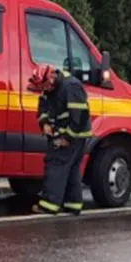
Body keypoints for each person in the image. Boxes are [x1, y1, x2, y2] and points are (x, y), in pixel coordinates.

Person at [30, 63, 91, 215]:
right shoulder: (50, 88)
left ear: (51, 77)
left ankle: (49, 204)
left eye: (45, 86)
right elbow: (43, 106)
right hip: (64, 133)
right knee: (71, 170)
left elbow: (80, 117)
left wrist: (67, 137)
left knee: (55, 165)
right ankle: (73, 204)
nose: (44, 90)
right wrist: (44, 123)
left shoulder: (71, 87)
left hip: (73, 135)